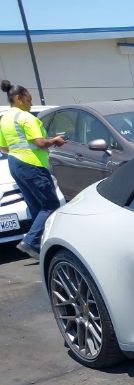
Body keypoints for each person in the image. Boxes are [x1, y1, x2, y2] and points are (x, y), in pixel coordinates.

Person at [0, 79, 66, 258]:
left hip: (15, 163)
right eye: (29, 100)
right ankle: (30, 241)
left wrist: (20, 150)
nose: (31, 103)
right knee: (50, 204)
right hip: (33, 164)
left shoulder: (5, 119)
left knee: (37, 207)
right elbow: (40, 143)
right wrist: (55, 140)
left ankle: (41, 243)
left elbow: (3, 148)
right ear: (19, 98)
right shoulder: (26, 118)